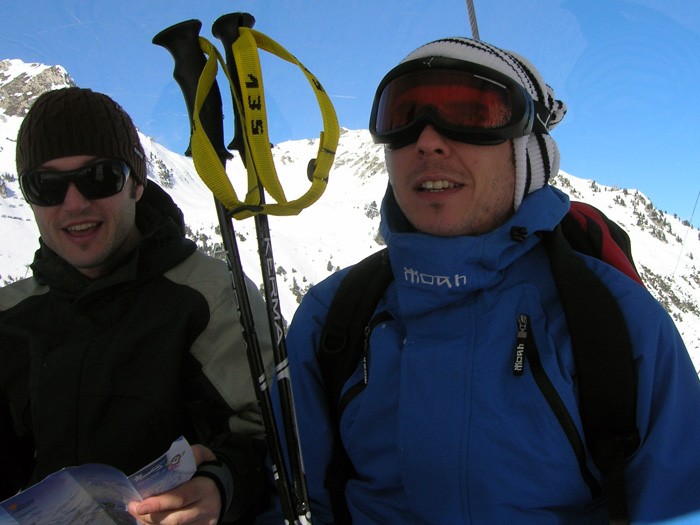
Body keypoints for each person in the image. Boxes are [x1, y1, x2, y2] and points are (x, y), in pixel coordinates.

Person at [255, 38, 700, 523]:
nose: (427, 140)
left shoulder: (614, 323)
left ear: (527, 152)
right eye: (402, 117)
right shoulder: (331, 320)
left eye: (472, 114)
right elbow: (289, 499)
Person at [0, 87, 274, 524]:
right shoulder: (10, 316)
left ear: (138, 182)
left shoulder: (209, 297)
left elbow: (277, 436)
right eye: (46, 186)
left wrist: (222, 485)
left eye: (100, 177)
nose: (74, 203)